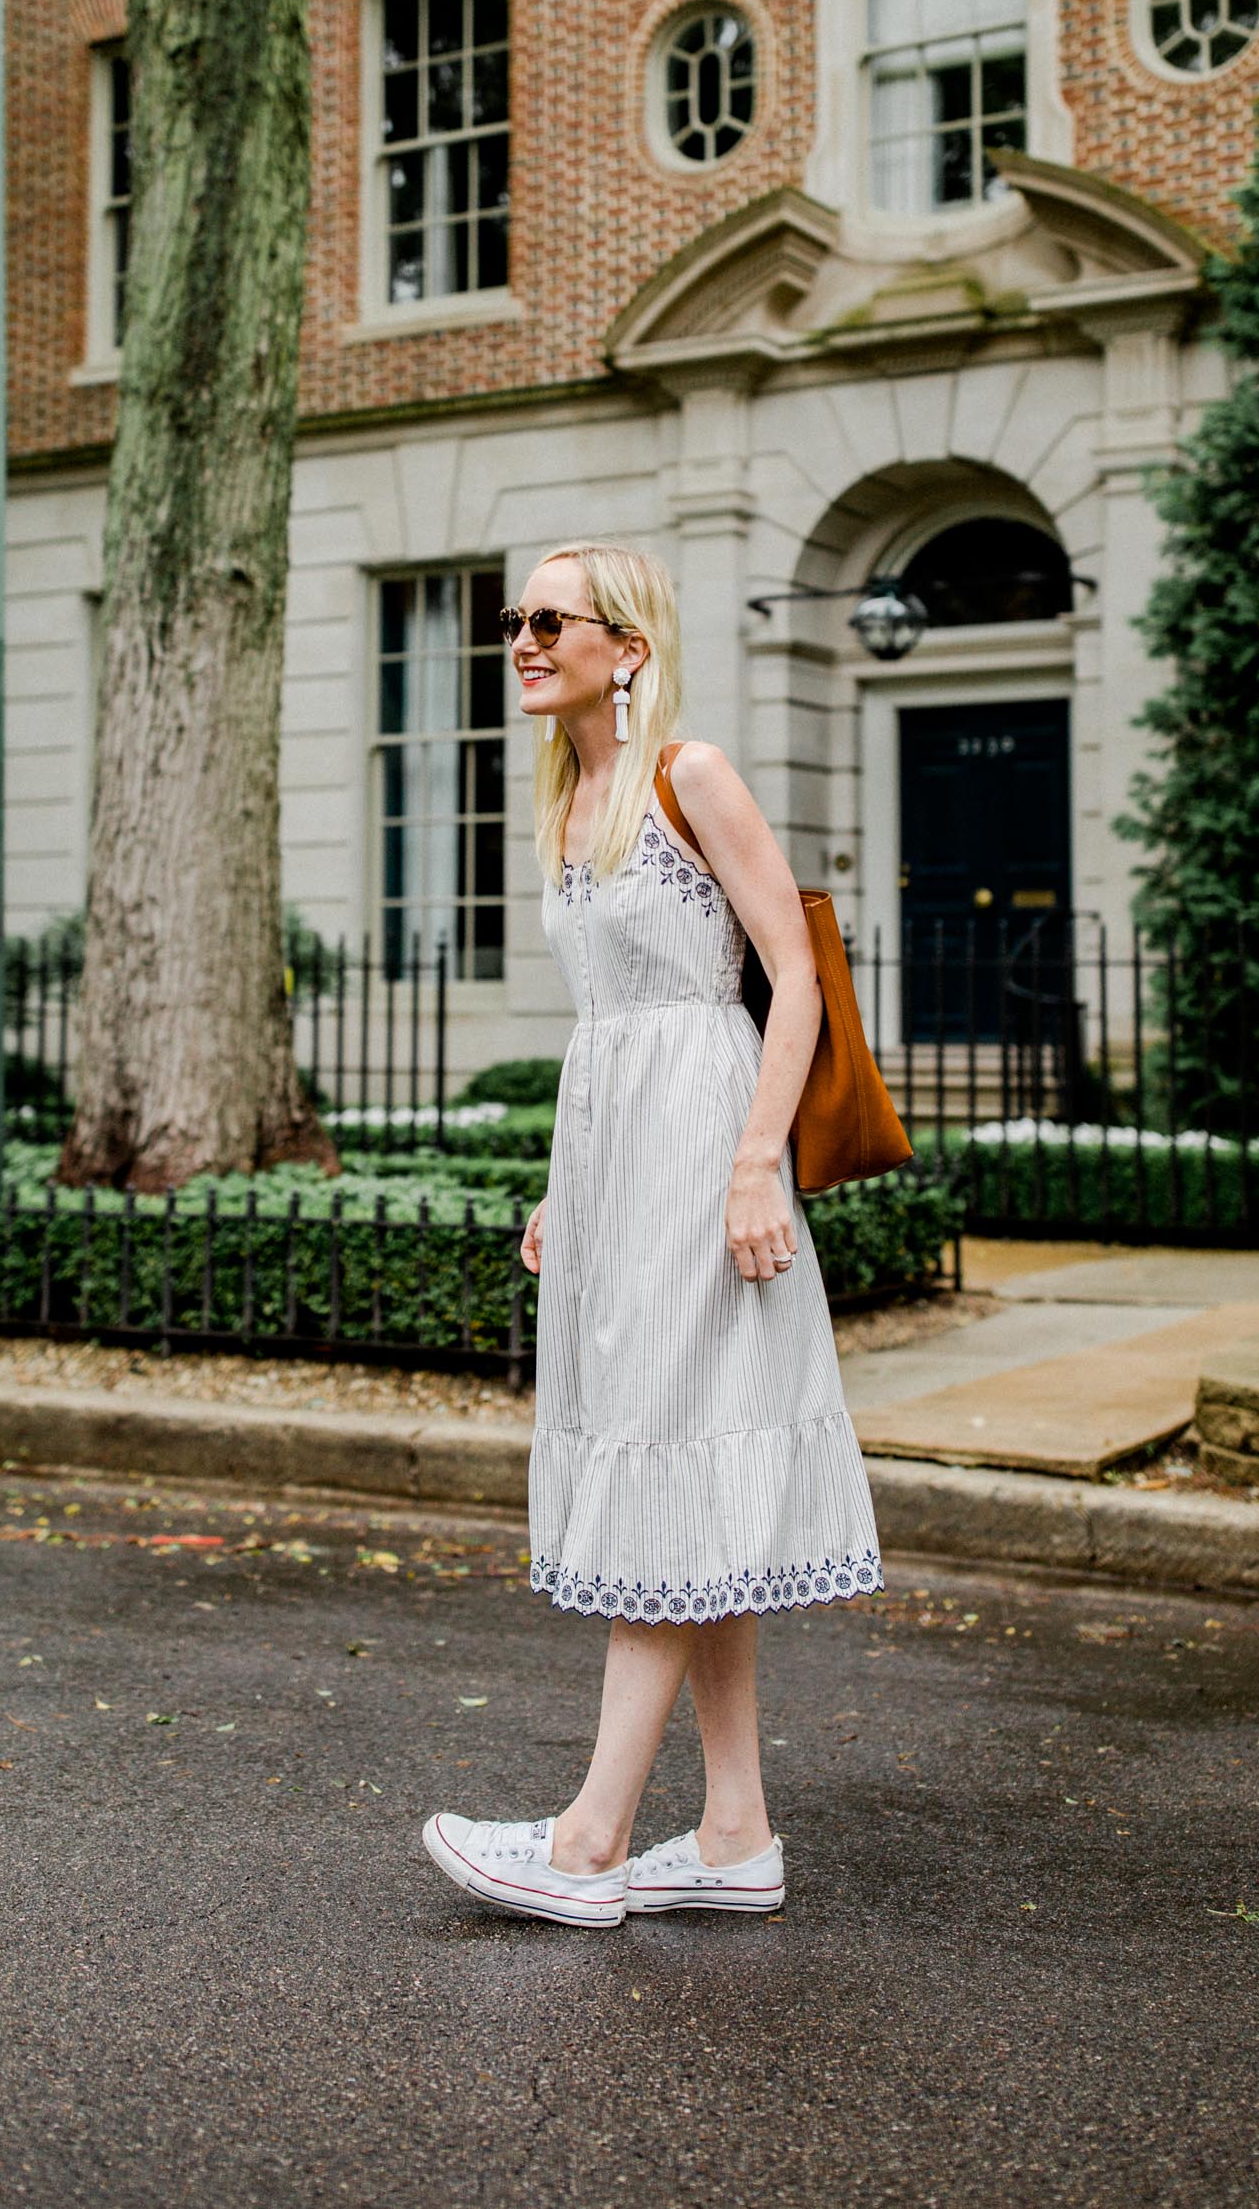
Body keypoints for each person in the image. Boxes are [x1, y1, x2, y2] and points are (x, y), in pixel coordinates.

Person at [421, 540, 882, 1928]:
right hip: (621, 1151)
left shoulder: (689, 773)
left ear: (625, 645)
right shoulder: (573, 795)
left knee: (673, 1469)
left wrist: (755, 1165)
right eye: (514, 619)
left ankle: (588, 1843)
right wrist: (578, 1185)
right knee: (688, 1473)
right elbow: (614, 1012)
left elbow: (790, 976)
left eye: (548, 619)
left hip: (704, 1142)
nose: (521, 639)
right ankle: (734, 1833)